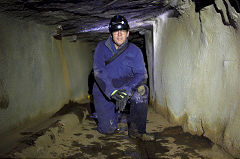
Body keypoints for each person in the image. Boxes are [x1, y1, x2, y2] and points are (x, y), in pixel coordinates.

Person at [92, 14, 155, 141]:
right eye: (116, 31)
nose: (119, 34)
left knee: (142, 90)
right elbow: (99, 71)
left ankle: (137, 131)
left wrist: (127, 90)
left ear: (128, 33)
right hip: (104, 90)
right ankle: (111, 114)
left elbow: (141, 74)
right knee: (108, 130)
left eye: (123, 31)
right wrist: (111, 92)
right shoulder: (101, 48)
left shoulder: (135, 51)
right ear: (111, 34)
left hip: (125, 86)